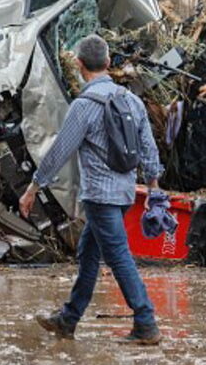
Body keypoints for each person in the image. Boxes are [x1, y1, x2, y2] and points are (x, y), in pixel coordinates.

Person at [19, 34, 164, 345]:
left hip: (99, 197)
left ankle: (146, 322)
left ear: (79, 65)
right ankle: (68, 320)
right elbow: (149, 149)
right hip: (125, 194)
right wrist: (154, 188)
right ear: (109, 64)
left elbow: (59, 152)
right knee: (88, 253)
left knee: (119, 257)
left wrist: (32, 189)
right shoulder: (131, 100)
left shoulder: (83, 105)